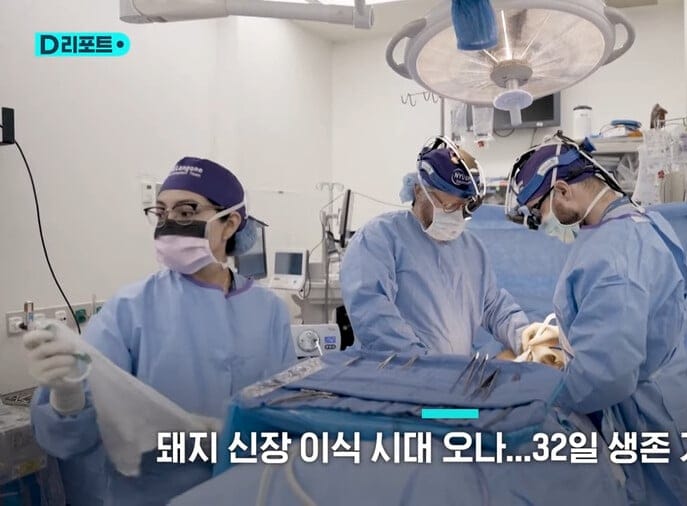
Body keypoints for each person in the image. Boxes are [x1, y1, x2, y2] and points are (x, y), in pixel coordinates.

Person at [25, 157, 297, 505]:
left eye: (185, 212)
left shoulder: (269, 310)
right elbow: (75, 441)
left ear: (230, 224)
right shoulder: (130, 308)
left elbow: (284, 412)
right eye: (161, 212)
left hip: (249, 491)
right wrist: (67, 394)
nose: (169, 223)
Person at [505, 132, 687, 505]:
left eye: (540, 212)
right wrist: (570, 340)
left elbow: (605, 376)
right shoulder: (639, 222)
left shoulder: (611, 257)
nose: (543, 223)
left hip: (642, 418)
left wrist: (538, 393)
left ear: (563, 191)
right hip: (661, 398)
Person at [340, 137, 532, 355]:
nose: (455, 214)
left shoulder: (472, 249)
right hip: (396, 371)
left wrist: (524, 336)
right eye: (447, 205)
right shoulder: (379, 238)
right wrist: (421, 361)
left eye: (462, 206)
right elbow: (372, 313)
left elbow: (493, 306)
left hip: (451, 373)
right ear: (419, 191)